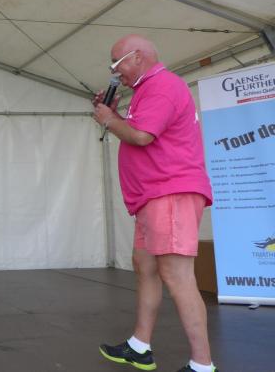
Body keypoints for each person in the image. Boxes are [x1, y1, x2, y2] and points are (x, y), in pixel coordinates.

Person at [93, 35, 217, 372]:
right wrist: (114, 113)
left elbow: (141, 136)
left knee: (177, 275)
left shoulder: (161, 86)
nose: (114, 72)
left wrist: (108, 120)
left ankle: (202, 364)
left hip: (169, 192)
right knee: (145, 267)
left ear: (137, 57)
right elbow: (139, 130)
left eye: (116, 63)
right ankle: (140, 345)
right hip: (152, 197)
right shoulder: (146, 91)